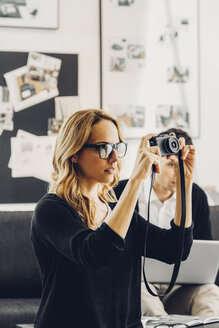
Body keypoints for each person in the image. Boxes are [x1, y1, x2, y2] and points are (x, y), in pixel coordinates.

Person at [31, 110, 195, 328]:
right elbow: (96, 252)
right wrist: (136, 179)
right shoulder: (50, 210)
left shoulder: (116, 211)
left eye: (117, 147)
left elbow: (176, 248)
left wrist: (185, 184)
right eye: (104, 148)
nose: (115, 158)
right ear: (74, 153)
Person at [114, 127, 219, 318]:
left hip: (181, 288)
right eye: (171, 165)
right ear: (157, 159)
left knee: (210, 294)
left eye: (180, 164)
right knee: (147, 304)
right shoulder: (124, 191)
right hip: (138, 285)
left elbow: (207, 255)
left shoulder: (195, 196)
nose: (175, 172)